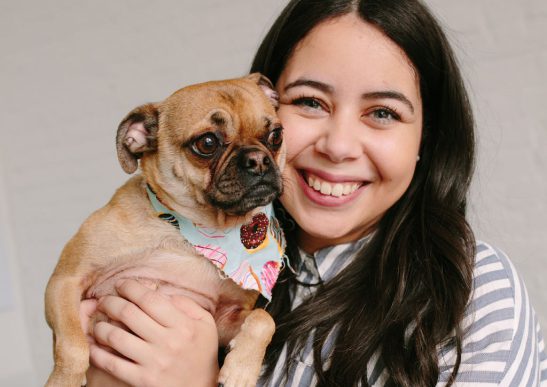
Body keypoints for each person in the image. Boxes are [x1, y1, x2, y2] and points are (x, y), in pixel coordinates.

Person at [81, 0, 547, 386]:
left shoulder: (471, 294)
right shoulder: (200, 272)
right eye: (309, 102)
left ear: (426, 139)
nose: (339, 146)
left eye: (383, 112)